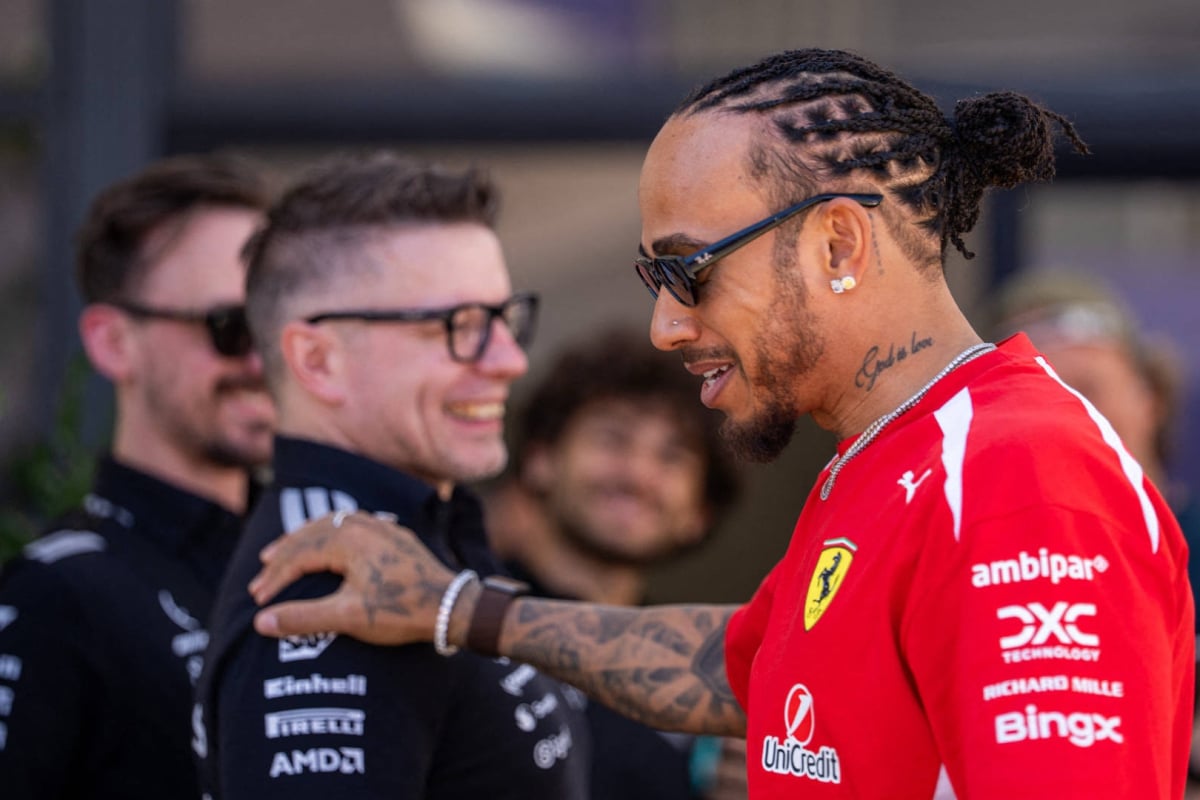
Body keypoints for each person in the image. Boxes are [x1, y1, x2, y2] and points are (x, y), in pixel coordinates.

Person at [245, 48, 1194, 799]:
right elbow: (740, 665)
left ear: (838, 241)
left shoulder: (1011, 478)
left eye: (688, 271)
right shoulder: (893, 459)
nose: (666, 325)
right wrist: (453, 608)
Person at [193, 152, 591, 799]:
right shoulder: (328, 592)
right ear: (318, 361)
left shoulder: (421, 533)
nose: (509, 359)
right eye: (457, 326)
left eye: (503, 317)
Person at [0, 154, 274, 798]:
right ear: (114, 343)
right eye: (230, 328)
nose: (262, 361)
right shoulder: (57, 594)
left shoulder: (311, 561)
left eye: (278, 322)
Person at [482, 327, 744, 800]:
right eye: (612, 439)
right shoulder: (465, 620)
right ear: (541, 460)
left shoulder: (703, 670)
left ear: (700, 513)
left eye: (672, 456)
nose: (638, 474)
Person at [988, 269, 1200, 793]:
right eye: (1035, 394)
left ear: (1150, 396)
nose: (1063, 416)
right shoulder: (982, 565)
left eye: (1086, 389)